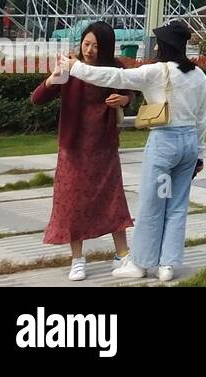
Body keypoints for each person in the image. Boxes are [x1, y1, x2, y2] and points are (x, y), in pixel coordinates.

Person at [61, 21, 206, 283]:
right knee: (176, 206)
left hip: (164, 144)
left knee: (153, 204)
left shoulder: (155, 71)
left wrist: (77, 68)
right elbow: (202, 118)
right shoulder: (198, 75)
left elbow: (114, 77)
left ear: (162, 46)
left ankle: (141, 263)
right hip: (188, 146)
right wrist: (199, 154)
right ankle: (167, 266)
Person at [31, 21, 135, 281]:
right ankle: (77, 259)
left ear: (107, 48)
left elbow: (129, 93)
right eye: (86, 44)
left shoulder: (116, 68)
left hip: (104, 145)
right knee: (72, 203)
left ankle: (123, 255)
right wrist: (52, 79)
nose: (89, 50)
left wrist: (123, 100)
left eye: (96, 46)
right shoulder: (70, 66)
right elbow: (37, 98)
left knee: (113, 200)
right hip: (73, 147)